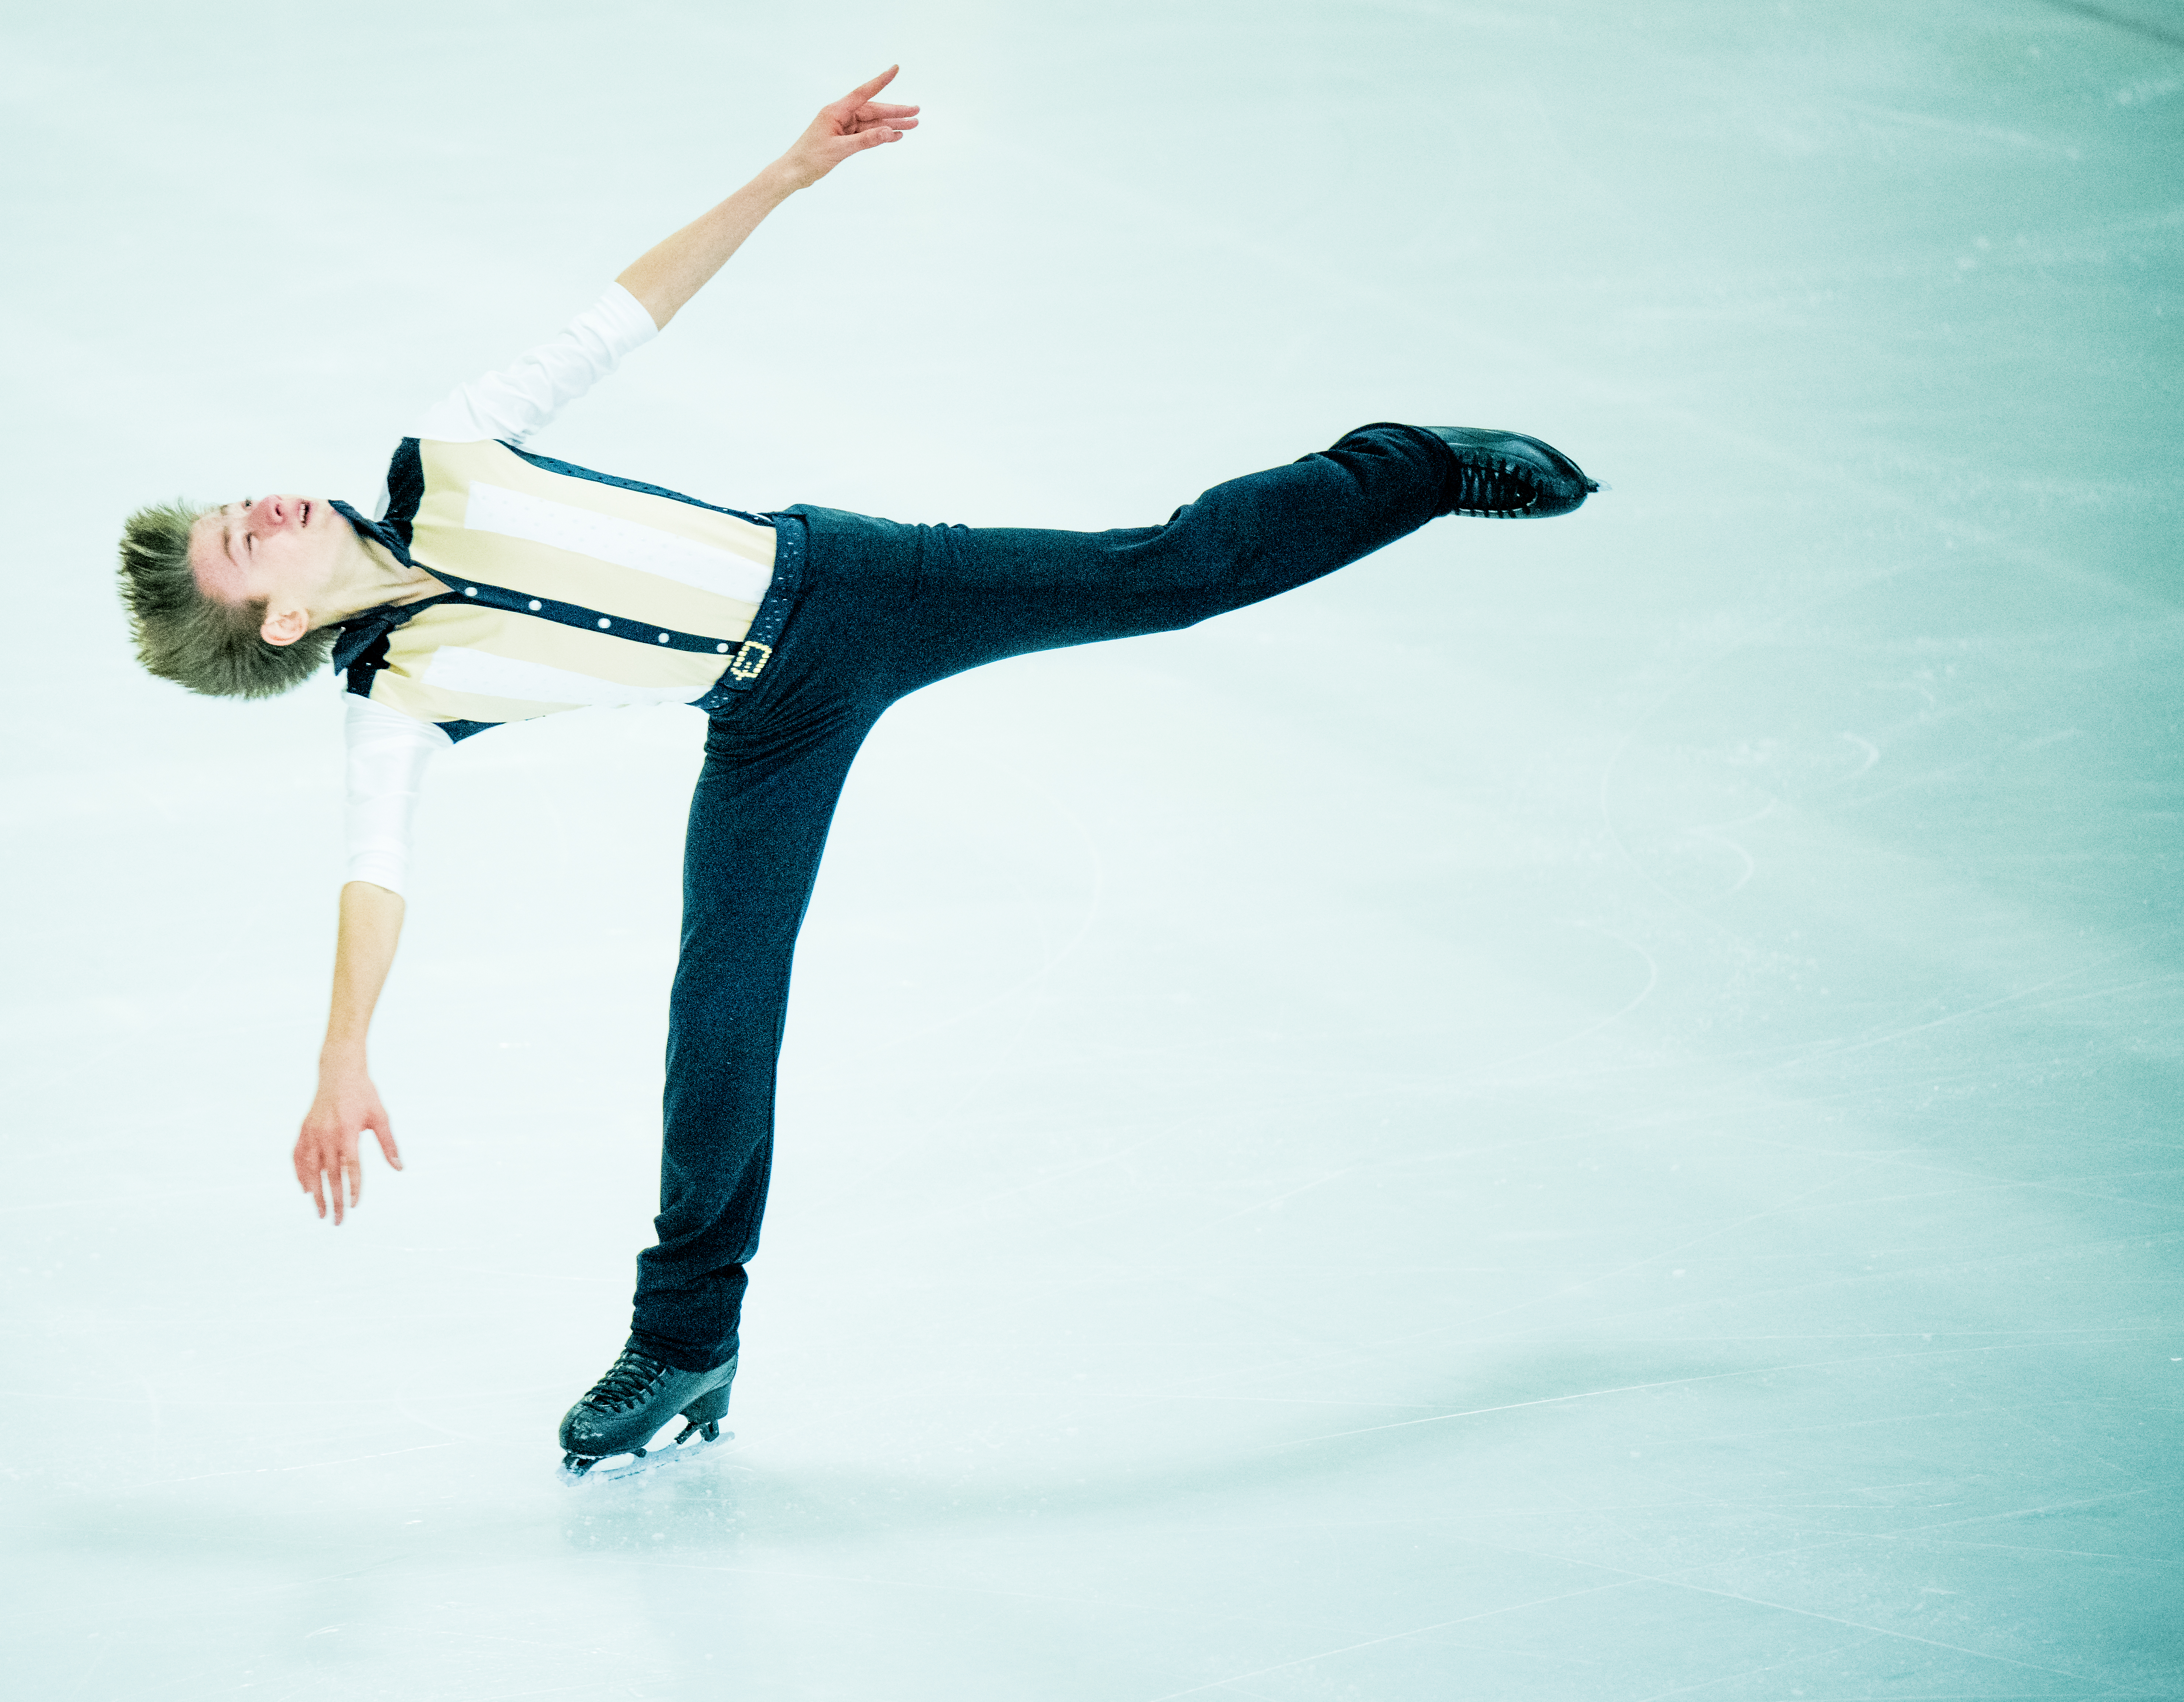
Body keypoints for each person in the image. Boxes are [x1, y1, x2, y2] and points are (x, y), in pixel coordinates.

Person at [113, 66, 1599, 1479]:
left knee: (1167, 572)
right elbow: (374, 873)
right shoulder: (397, 699)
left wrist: (789, 170)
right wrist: (341, 1050)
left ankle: (1409, 464)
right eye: (247, 545)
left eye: (238, 509)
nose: (261, 507)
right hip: (765, 726)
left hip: (851, 585)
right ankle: (684, 1339)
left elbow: (618, 316)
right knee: (718, 1019)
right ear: (284, 618)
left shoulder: (443, 453)